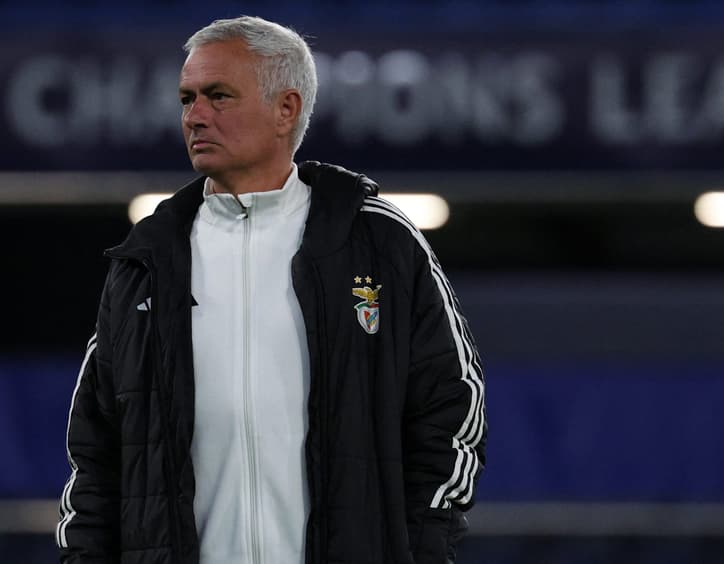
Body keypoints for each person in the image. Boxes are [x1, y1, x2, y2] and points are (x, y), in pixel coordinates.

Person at [55, 16, 486, 564]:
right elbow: (96, 451)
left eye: (218, 96)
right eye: (187, 99)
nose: (195, 116)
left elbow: (454, 406)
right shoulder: (148, 259)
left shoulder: (376, 240)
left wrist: (420, 547)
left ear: (286, 109)